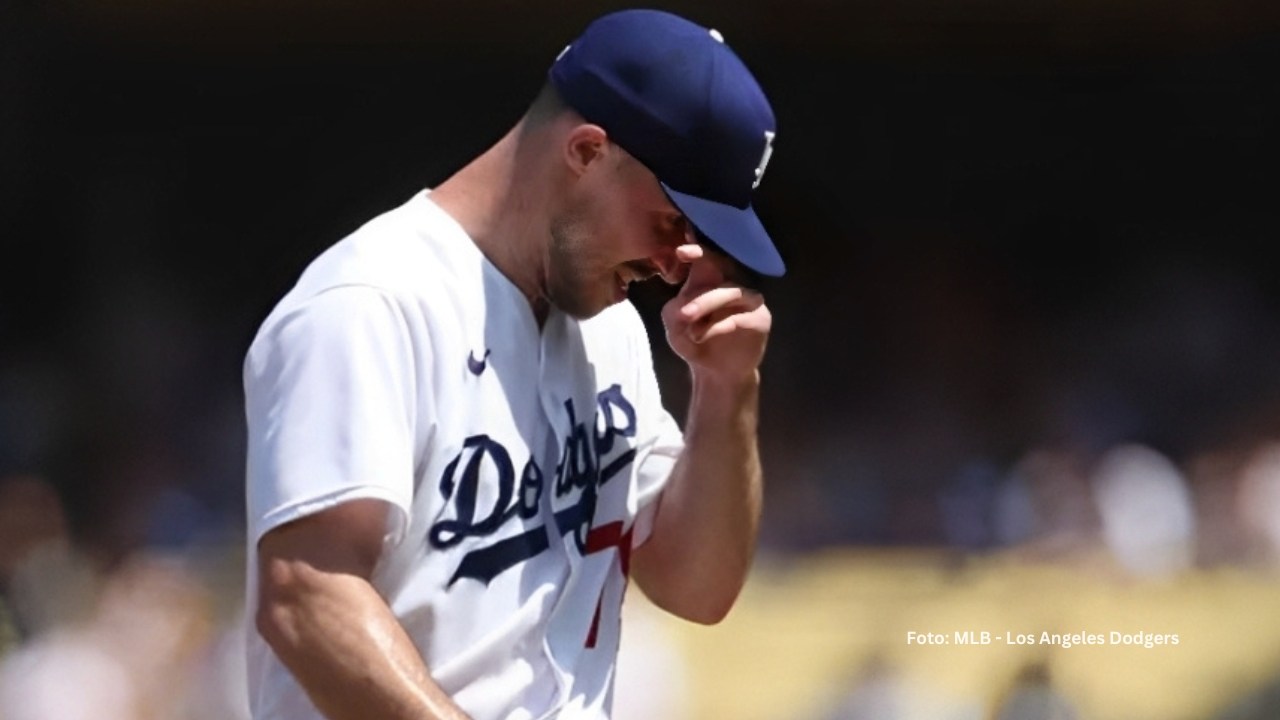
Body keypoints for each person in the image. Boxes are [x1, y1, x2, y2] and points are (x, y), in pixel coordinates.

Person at [242, 8, 784, 720]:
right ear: (587, 152)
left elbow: (697, 588)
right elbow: (307, 598)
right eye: (673, 221)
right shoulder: (370, 304)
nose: (678, 259)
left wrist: (726, 390)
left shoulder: (611, 330)